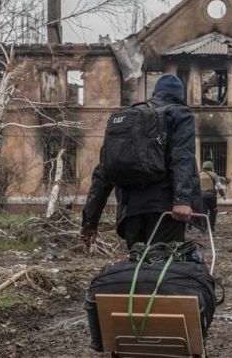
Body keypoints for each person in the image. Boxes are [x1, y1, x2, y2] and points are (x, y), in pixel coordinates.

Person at [80, 74, 199, 250]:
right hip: (165, 211)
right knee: (161, 269)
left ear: (155, 93)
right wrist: (182, 199)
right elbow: (182, 156)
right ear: (181, 97)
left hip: (130, 212)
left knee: (138, 269)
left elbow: (103, 172)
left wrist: (90, 220)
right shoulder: (179, 113)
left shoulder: (129, 119)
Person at [199, 160, 225, 231]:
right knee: (213, 211)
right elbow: (219, 186)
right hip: (211, 196)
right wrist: (223, 195)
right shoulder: (214, 175)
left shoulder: (199, 175)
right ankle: (211, 227)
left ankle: (204, 227)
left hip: (202, 196)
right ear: (211, 167)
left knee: (204, 212)